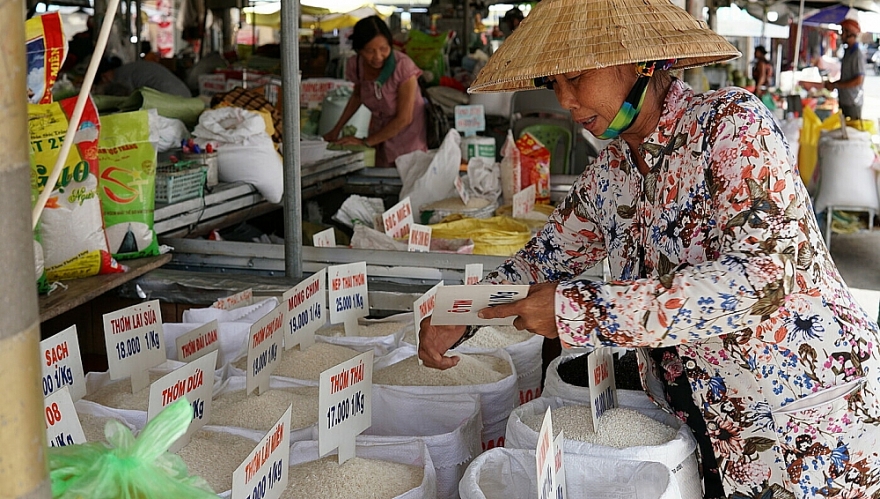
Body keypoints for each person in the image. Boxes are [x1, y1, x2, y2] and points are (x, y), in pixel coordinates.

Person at [418, 0, 880, 497]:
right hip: (705, 428)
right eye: (554, 83)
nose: (566, 100)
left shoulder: (730, 126)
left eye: (576, 76)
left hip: (803, 425)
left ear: (641, 62)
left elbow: (762, 278)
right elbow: (542, 260)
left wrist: (580, 311)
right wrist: (461, 311)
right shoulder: (613, 171)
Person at [323, 16, 427, 167]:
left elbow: (404, 118)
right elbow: (357, 96)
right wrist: (336, 130)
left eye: (383, 49)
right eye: (369, 51)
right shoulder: (356, 66)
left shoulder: (403, 68)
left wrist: (365, 142)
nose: (378, 57)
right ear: (359, 50)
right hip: (378, 138)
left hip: (408, 142)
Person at [825, 19, 865, 120]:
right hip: (844, 100)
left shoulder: (857, 54)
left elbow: (858, 80)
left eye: (843, 32)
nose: (841, 35)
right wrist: (834, 84)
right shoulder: (848, 52)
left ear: (850, 34)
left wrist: (836, 85)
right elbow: (846, 77)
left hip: (852, 102)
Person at [96, 57, 192, 98]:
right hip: (183, 94)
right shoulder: (128, 69)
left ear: (104, 76)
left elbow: (126, 100)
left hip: (174, 99)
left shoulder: (121, 78)